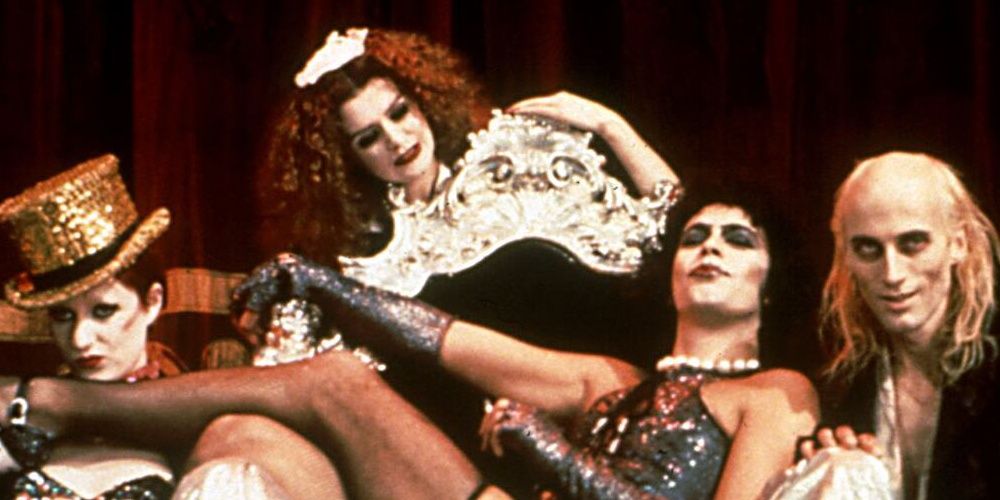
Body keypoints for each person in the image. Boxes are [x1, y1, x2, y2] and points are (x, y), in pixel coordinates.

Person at [0, 155, 343, 499]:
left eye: (104, 311)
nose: (80, 338)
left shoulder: (202, 423)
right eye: (62, 316)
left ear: (153, 302)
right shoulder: (22, 424)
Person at [791, 152, 1000, 499]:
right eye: (868, 248)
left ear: (958, 244)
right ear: (846, 255)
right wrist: (824, 470)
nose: (891, 274)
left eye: (912, 244)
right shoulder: (841, 384)